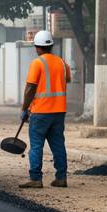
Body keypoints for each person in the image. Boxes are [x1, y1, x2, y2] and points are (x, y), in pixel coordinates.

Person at [19, 29, 71, 189]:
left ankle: (36, 178)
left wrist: (24, 108)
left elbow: (30, 88)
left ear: (37, 47)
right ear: (51, 46)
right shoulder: (62, 63)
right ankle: (61, 177)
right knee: (58, 145)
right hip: (59, 112)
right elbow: (67, 79)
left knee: (36, 146)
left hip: (40, 112)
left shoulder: (37, 63)